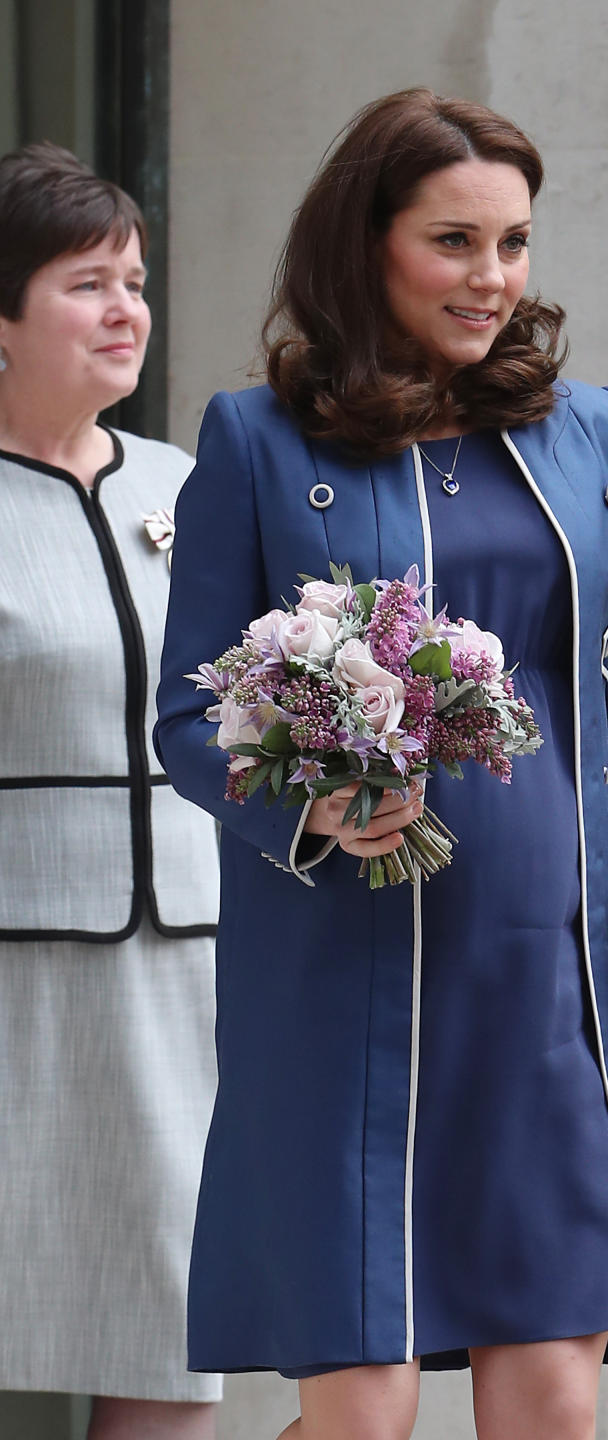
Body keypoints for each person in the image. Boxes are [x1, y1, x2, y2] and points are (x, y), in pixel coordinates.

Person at [155, 89, 608, 1440]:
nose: (491, 280)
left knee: (549, 1405)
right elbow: (192, 719)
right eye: (453, 242)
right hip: (338, 988)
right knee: (362, 1419)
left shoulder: (595, 431)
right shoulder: (257, 439)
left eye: (513, 244)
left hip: (539, 973)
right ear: (368, 245)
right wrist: (313, 806)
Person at [0, 143, 221, 1438]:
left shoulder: (189, 487)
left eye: (134, 280)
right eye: (88, 283)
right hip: (16, 974)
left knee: (171, 1322)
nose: (128, 308)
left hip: (181, 975)